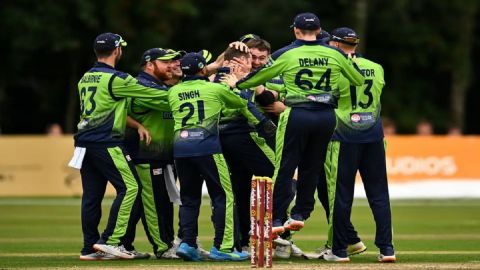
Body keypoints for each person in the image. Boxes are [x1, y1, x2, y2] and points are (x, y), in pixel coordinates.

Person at [236, 13, 364, 238]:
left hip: (298, 113)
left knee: (286, 165)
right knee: (312, 166)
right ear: (319, 30)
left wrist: (239, 81)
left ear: (295, 30)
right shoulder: (335, 53)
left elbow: (257, 78)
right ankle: (300, 213)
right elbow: (358, 80)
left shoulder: (287, 54)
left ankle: (275, 219)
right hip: (326, 116)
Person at [73, 32, 170, 260]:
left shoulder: (85, 77)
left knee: (91, 197)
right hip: (105, 141)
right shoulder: (118, 78)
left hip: (84, 143)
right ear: (117, 50)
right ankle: (110, 241)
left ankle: (89, 248)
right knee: (131, 188)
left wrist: (136, 125)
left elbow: (111, 108)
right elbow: (151, 94)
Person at [168, 52, 262, 262]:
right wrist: (235, 83)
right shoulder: (215, 89)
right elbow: (239, 104)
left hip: (181, 150)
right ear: (203, 69)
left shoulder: (173, 92)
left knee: (189, 199)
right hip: (207, 147)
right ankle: (223, 246)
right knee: (224, 196)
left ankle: (188, 243)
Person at [323, 27, 395, 263]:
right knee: (379, 195)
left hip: (343, 138)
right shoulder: (377, 68)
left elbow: (326, 99)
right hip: (374, 136)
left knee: (341, 195)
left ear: (335, 44)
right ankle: (387, 249)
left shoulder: (334, 69)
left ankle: (340, 250)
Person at [121, 48, 183, 259]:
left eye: (174, 61)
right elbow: (175, 100)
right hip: (145, 154)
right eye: (166, 62)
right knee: (154, 203)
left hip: (161, 155)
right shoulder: (143, 86)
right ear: (149, 64)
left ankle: (123, 244)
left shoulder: (160, 86)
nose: (172, 65)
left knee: (157, 203)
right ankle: (163, 246)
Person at [215, 46, 275, 252]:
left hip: (222, 140)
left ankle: (242, 241)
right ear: (237, 63)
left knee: (239, 190)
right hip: (244, 137)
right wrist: (267, 127)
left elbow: (268, 98)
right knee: (278, 178)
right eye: (249, 60)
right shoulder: (234, 80)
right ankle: (275, 233)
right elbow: (246, 107)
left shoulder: (214, 79)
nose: (253, 64)